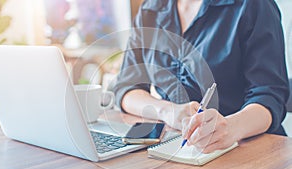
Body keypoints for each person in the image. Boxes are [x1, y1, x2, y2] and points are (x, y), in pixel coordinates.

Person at [113, 0, 290, 153]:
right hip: (179, 151)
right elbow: (127, 88)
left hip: (250, 152)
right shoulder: (150, 10)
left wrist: (230, 128)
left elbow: (270, 96)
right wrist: (168, 110)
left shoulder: (252, 5)